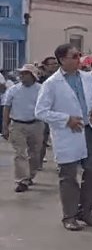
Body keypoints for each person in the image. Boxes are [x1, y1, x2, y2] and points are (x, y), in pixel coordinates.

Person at [35, 44, 92, 231]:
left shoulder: (88, 78)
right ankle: (70, 216)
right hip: (68, 132)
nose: (78, 59)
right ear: (62, 60)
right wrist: (66, 119)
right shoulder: (51, 84)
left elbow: (91, 100)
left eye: (79, 55)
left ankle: (86, 211)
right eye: (74, 56)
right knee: (68, 176)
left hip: (89, 129)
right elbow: (41, 111)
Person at [2, 64, 44, 193]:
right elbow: (7, 107)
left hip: (36, 124)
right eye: (21, 73)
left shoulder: (42, 89)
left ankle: (30, 175)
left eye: (25, 73)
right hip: (17, 124)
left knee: (35, 153)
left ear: (33, 76)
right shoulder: (13, 90)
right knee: (19, 153)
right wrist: (5, 126)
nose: (22, 76)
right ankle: (21, 180)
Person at [37, 56, 59, 169]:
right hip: (45, 112)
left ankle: (61, 162)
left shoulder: (61, 78)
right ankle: (39, 162)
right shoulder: (41, 80)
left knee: (59, 138)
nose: (55, 66)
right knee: (42, 139)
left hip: (58, 111)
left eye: (56, 64)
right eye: (52, 64)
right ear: (45, 66)